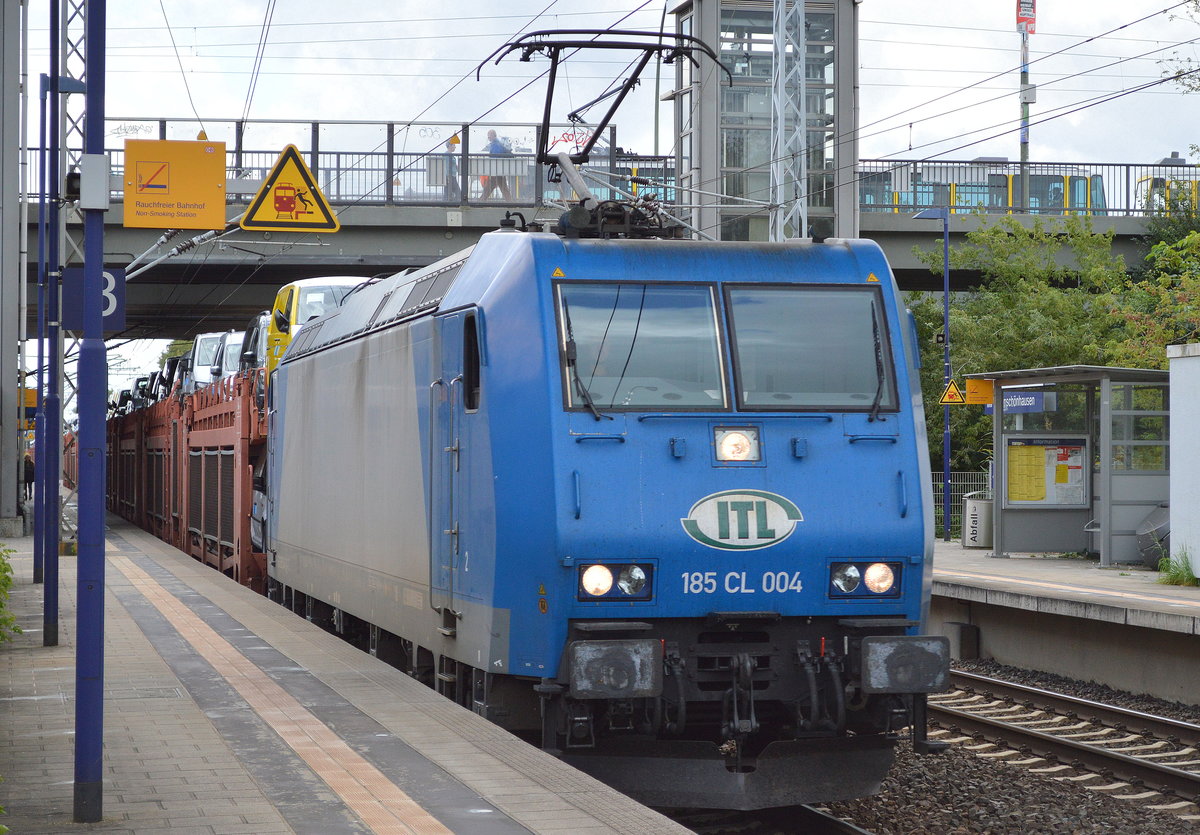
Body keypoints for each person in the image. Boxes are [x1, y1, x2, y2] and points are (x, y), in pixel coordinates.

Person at [480, 129, 513, 201]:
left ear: (494, 136)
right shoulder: (498, 144)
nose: (488, 138)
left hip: (496, 170)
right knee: (501, 187)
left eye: (489, 136)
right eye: (488, 136)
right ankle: (511, 202)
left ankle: (479, 202)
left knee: (490, 187)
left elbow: (495, 157)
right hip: (499, 170)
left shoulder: (495, 145)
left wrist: (492, 168)